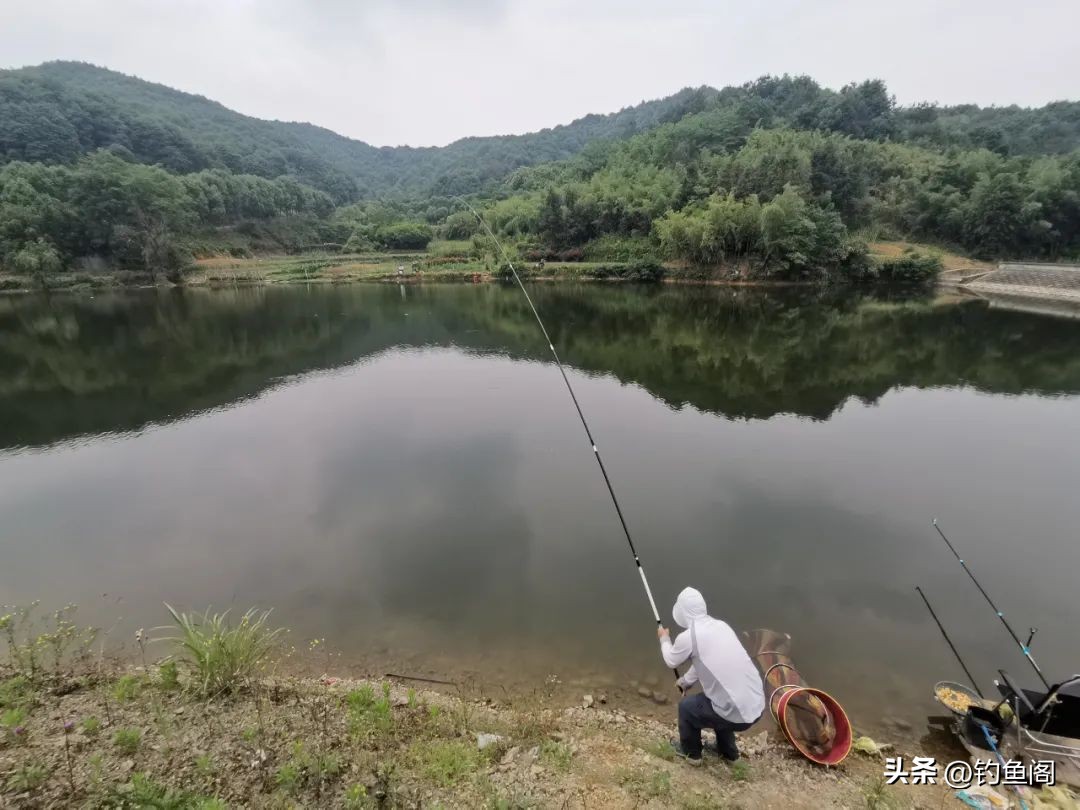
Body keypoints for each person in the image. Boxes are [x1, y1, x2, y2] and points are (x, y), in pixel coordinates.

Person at [658, 586, 765, 764]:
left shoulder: (689, 636)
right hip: (757, 705)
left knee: (687, 708)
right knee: (721, 701)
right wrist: (685, 682)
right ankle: (729, 754)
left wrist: (664, 638)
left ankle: (691, 755)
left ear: (683, 612)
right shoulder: (721, 626)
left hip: (737, 713)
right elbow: (703, 663)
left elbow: (671, 660)